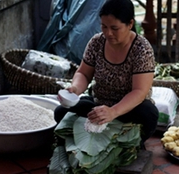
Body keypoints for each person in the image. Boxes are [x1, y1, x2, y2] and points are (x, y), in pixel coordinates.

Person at [54, 0, 159, 148]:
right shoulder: (96, 42)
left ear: (130, 24)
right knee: (61, 112)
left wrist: (113, 112)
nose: (108, 33)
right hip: (99, 104)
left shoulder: (142, 49)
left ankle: (125, 141)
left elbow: (140, 91)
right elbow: (84, 73)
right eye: (104, 26)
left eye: (114, 28)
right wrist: (75, 89)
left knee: (148, 114)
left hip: (129, 109)